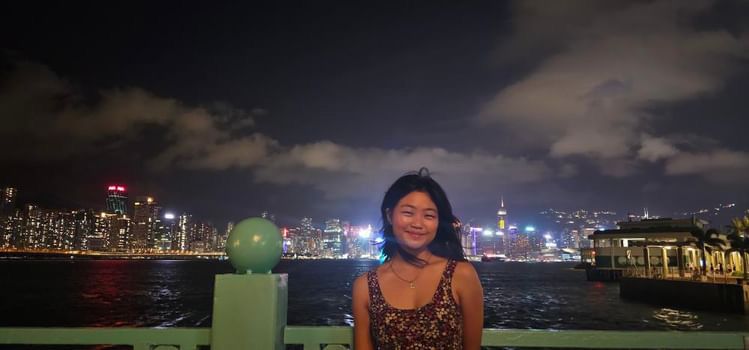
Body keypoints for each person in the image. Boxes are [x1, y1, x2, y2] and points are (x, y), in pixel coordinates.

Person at [352, 168, 484, 349]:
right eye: (408, 212)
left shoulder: (461, 275)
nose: (417, 224)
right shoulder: (365, 286)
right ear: (390, 215)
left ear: (438, 222)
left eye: (429, 215)